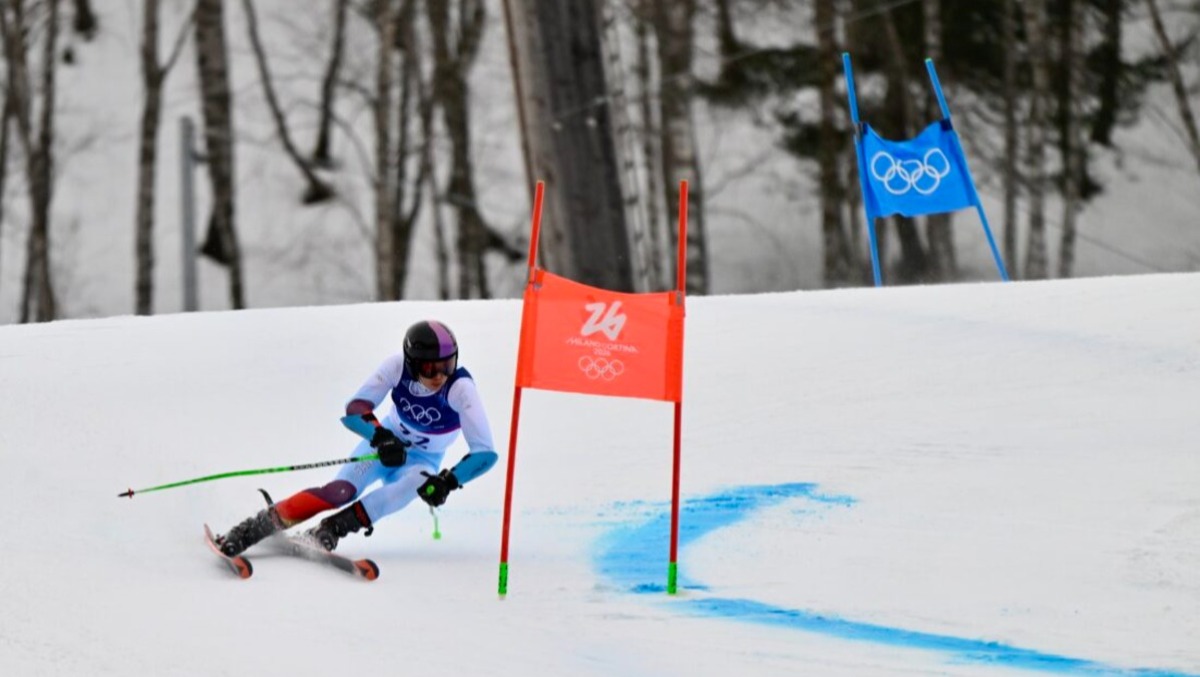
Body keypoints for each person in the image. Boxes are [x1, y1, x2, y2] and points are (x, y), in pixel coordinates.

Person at [216, 319, 498, 556]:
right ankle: (249, 530)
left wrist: (449, 481)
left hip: (423, 460)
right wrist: (381, 436)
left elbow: (485, 452)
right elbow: (355, 409)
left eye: (447, 366)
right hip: (384, 447)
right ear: (413, 363)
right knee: (340, 492)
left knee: (416, 482)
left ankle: (330, 530)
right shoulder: (396, 367)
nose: (439, 376)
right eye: (429, 368)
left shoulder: (461, 388)